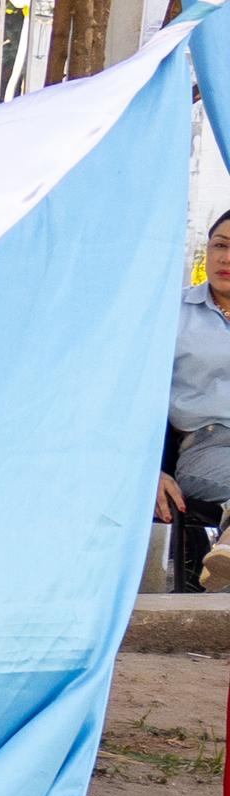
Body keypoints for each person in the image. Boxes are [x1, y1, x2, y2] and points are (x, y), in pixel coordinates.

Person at [163, 212, 230, 592]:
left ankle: (223, 556)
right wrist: (148, 470)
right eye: (220, 245)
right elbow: (136, 396)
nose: (226, 258)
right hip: (206, 444)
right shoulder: (173, 314)